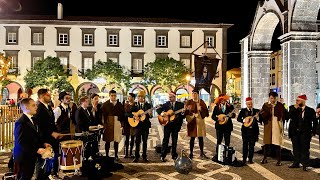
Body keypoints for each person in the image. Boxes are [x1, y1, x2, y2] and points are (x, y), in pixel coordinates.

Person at [13, 98, 51, 180]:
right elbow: (21, 143)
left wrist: (43, 144)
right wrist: (36, 150)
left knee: (29, 175)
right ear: (26, 107)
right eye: (33, 105)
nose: (36, 107)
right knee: (24, 177)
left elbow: (36, 136)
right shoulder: (20, 122)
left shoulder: (33, 119)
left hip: (31, 155)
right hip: (24, 156)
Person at [35, 88, 62, 180]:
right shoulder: (38, 108)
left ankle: (51, 174)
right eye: (48, 95)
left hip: (52, 138)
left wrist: (56, 132)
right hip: (45, 139)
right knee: (43, 161)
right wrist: (51, 133)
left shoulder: (48, 107)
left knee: (52, 159)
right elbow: (40, 126)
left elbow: (51, 122)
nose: (50, 96)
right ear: (42, 96)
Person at [288, 94, 317, 171]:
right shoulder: (293, 108)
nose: (296, 102)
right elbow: (288, 116)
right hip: (295, 132)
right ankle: (296, 163)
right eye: (296, 100)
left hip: (305, 133)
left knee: (305, 149)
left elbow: (315, 121)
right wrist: (295, 107)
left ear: (303, 101)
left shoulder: (310, 110)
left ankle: (305, 164)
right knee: (295, 148)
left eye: (298, 100)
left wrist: (313, 132)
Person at [259, 92, 288, 166]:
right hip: (268, 125)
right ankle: (265, 158)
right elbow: (262, 115)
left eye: (274, 98)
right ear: (269, 98)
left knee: (277, 143)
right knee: (266, 142)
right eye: (271, 98)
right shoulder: (266, 105)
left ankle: (279, 160)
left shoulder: (280, 105)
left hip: (277, 125)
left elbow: (285, 115)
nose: (273, 100)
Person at [157, 91, 185, 162]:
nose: (169, 98)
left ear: (174, 97)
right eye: (169, 97)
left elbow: (183, 116)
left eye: (171, 97)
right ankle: (163, 155)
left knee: (174, 140)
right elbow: (159, 110)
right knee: (165, 140)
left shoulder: (180, 105)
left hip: (176, 125)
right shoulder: (166, 104)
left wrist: (182, 113)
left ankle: (174, 154)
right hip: (167, 125)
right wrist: (163, 113)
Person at [185, 88, 209, 159]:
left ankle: (201, 152)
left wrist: (200, 109)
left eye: (195, 93)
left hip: (200, 122)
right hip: (192, 122)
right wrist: (187, 110)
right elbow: (186, 112)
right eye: (192, 93)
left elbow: (206, 112)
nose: (193, 95)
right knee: (192, 138)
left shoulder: (201, 101)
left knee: (200, 138)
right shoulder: (189, 102)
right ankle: (191, 153)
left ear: (198, 94)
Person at [102, 90, 125, 161]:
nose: (113, 97)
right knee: (107, 140)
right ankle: (106, 154)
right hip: (108, 123)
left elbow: (123, 114)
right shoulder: (105, 104)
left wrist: (122, 123)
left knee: (116, 140)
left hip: (117, 122)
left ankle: (116, 155)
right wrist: (104, 124)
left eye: (115, 95)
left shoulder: (119, 104)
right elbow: (102, 115)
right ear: (109, 96)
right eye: (112, 95)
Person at [211, 94, 236, 160]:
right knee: (219, 140)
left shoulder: (230, 106)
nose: (222, 101)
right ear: (219, 100)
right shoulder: (216, 107)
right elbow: (213, 116)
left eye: (224, 100)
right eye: (221, 100)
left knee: (227, 141)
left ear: (225, 100)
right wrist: (218, 119)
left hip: (228, 126)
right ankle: (218, 154)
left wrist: (231, 115)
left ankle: (227, 154)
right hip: (219, 127)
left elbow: (234, 115)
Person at [237, 97, 260, 164]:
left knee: (252, 145)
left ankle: (250, 159)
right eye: (249, 104)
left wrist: (258, 117)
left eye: (251, 104)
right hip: (245, 130)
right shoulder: (243, 111)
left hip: (254, 130)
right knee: (245, 145)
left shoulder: (256, 111)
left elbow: (259, 120)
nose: (250, 105)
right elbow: (238, 119)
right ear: (246, 104)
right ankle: (244, 158)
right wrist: (244, 120)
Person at [131, 90, 153, 163]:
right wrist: (135, 116)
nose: (140, 98)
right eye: (139, 96)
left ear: (144, 97)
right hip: (137, 126)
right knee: (137, 141)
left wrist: (150, 114)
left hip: (145, 126)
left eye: (141, 96)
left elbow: (151, 116)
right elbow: (129, 114)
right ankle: (136, 156)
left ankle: (144, 156)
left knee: (145, 141)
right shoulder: (135, 105)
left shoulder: (148, 105)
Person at [123, 93, 136, 158]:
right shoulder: (126, 105)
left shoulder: (136, 105)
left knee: (133, 138)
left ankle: (131, 152)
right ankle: (126, 153)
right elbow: (124, 114)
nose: (128, 98)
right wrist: (131, 115)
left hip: (133, 124)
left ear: (133, 98)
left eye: (130, 97)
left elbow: (137, 114)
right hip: (126, 124)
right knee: (126, 138)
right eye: (128, 96)